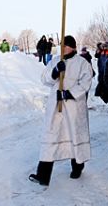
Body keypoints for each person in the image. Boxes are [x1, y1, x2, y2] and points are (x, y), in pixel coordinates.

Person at [29, 35, 93, 186]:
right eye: (62, 45)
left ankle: (77, 167)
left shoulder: (82, 63)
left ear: (73, 47)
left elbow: (86, 83)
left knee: (74, 136)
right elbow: (44, 78)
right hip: (56, 107)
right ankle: (43, 175)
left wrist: (68, 94)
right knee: (51, 136)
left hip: (73, 108)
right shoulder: (56, 60)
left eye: (66, 45)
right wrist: (55, 72)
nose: (63, 48)